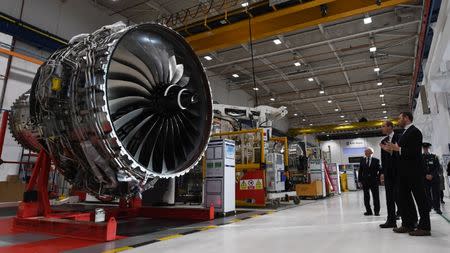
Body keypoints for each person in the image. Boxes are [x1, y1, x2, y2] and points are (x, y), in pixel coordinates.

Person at [382, 112, 431, 236]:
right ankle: (408, 224)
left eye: (400, 118)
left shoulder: (415, 132)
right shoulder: (404, 133)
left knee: (420, 199)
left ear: (406, 118)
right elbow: (399, 150)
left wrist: (398, 149)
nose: (398, 120)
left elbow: (415, 152)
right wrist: (391, 149)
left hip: (414, 171)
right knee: (404, 199)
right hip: (403, 172)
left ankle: (425, 227)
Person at [379, 121, 401, 228]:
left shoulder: (399, 137)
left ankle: (409, 220)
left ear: (390, 127)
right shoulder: (383, 141)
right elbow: (383, 160)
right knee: (389, 198)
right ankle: (391, 220)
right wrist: (382, 173)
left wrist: (392, 151)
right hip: (388, 174)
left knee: (401, 197)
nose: (382, 128)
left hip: (399, 173)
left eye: (383, 126)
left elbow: (403, 155)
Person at [358, 148, 381, 216]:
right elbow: (360, 171)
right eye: (365, 152)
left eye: (367, 152)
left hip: (374, 181)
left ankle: (376, 211)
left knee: (376, 197)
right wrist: (360, 181)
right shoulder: (362, 160)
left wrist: (379, 178)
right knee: (366, 197)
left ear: (371, 152)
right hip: (365, 181)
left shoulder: (376, 160)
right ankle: (368, 211)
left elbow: (380, 170)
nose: (365, 153)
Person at [422, 143, 442, 214]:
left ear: (428, 148)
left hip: (434, 178)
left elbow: (437, 168)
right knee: (427, 194)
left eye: (426, 148)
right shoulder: (420, 157)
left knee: (436, 193)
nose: (425, 149)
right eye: (424, 148)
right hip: (425, 178)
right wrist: (426, 175)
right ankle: (429, 206)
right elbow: (419, 168)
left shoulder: (434, 157)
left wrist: (432, 175)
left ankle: (437, 208)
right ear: (423, 149)